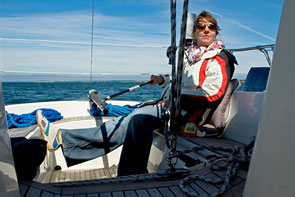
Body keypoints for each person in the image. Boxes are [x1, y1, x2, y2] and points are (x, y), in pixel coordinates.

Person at [37, 10, 236, 176]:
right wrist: (163, 79)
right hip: (174, 107)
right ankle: (64, 139)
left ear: (216, 32)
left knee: (139, 118)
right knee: (129, 117)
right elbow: (182, 79)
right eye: (201, 26)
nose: (207, 30)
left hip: (191, 116)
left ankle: (130, 173)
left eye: (211, 27)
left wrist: (174, 98)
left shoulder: (219, 58)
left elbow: (212, 94)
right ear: (194, 31)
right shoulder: (193, 56)